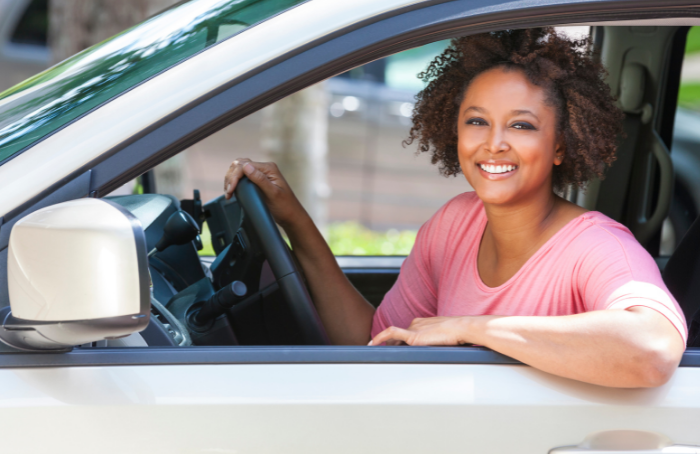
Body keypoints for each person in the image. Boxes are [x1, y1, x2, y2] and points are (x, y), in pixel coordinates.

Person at [223, 28, 686, 388]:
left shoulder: (596, 246)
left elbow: (654, 348)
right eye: (477, 121)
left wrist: (474, 329)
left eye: (522, 125)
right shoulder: (455, 225)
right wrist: (295, 221)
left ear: (561, 145)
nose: (494, 143)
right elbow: (372, 339)